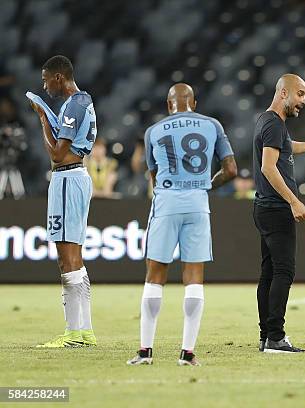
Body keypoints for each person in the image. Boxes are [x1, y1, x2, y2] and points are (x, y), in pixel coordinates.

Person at [127, 83, 237, 366]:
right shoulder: (211, 125)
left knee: (154, 275)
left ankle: (145, 352)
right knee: (194, 276)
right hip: (198, 204)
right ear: (194, 103)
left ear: (168, 105)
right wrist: (205, 187)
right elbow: (231, 170)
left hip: (166, 202)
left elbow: (152, 173)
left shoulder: (154, 131)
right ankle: (187, 354)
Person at [253, 74, 305, 353]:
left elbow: (288, 146)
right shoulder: (274, 124)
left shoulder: (269, 121)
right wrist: (294, 201)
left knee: (269, 273)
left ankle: (266, 336)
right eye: (300, 94)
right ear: (283, 92)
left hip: (264, 207)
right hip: (275, 208)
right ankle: (275, 337)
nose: (304, 101)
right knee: (284, 271)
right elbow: (268, 167)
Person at [29, 55, 97, 348]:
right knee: (76, 259)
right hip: (75, 177)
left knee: (66, 258)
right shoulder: (84, 102)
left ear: (59, 77)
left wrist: (43, 118)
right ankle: (85, 331)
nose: (44, 86)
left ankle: (72, 334)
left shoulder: (74, 105)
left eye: (46, 79)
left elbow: (57, 154)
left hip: (68, 179)